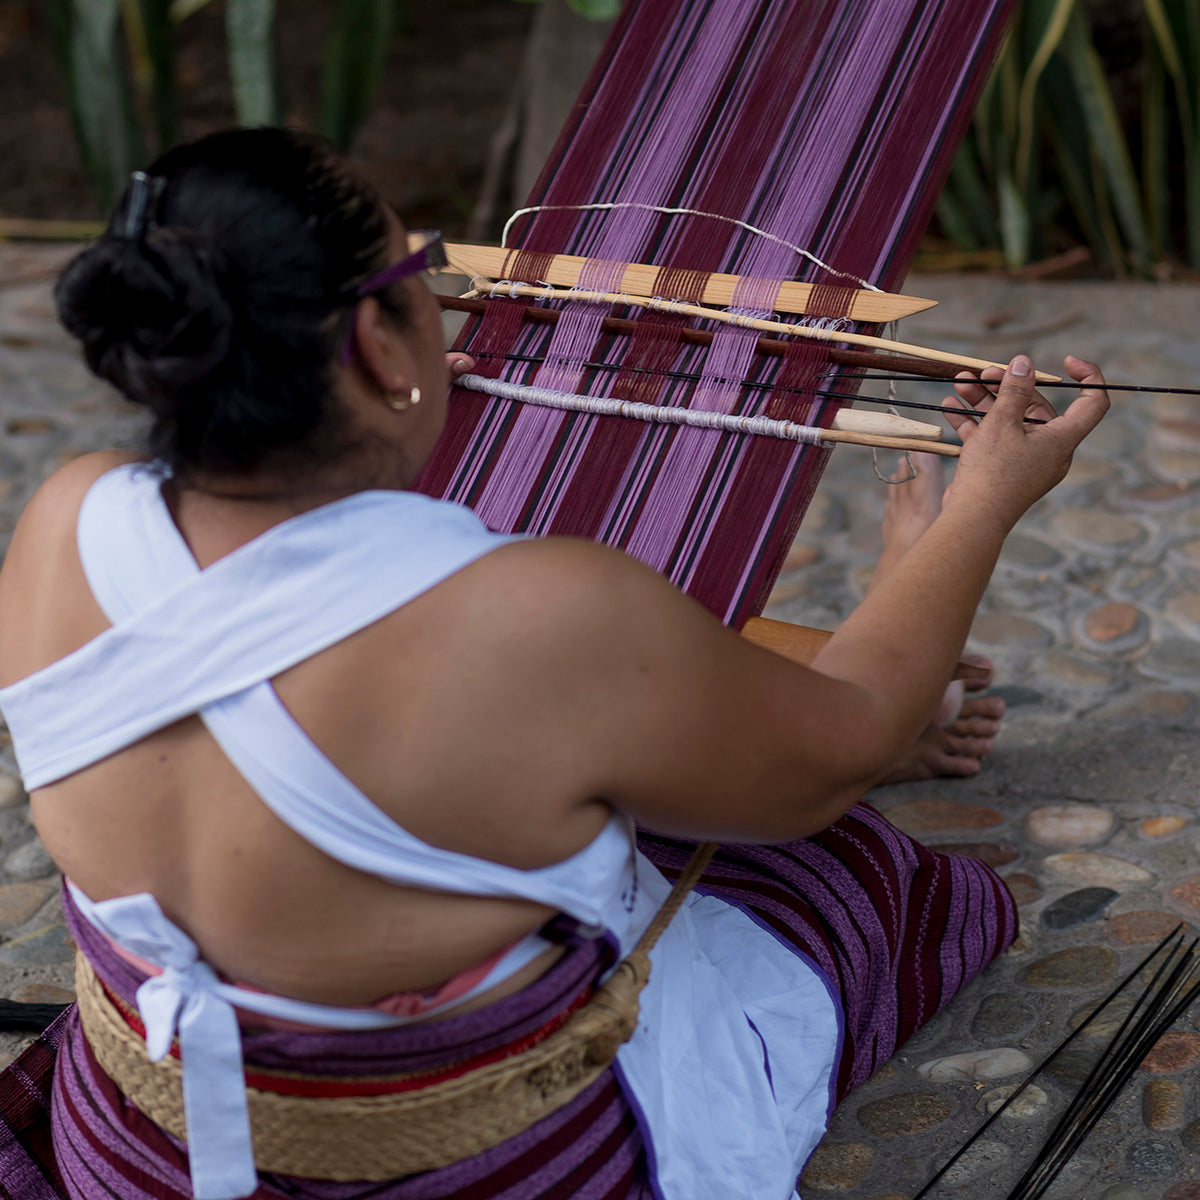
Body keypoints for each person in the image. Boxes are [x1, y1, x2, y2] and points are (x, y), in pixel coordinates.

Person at [0, 128, 1107, 1200]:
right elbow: (852, 734)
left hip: (144, 1156)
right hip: (482, 1170)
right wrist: (977, 510)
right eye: (422, 273)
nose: (447, 295)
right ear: (380, 344)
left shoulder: (67, 520)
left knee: (559, 761)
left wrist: (405, 407)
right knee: (844, 871)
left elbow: (297, 625)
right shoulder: (539, 622)